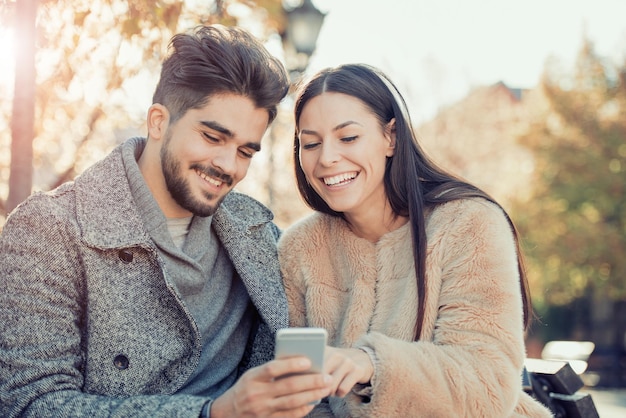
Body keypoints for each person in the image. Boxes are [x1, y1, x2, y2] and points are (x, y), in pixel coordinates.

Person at [0, 25, 333, 418]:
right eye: (212, 137)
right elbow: (29, 403)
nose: (228, 166)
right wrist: (214, 413)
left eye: (245, 151)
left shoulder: (255, 232)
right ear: (158, 121)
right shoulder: (49, 229)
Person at [278, 63, 553, 417]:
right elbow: (298, 395)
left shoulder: (467, 223)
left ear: (390, 138)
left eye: (348, 138)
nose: (327, 158)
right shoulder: (300, 247)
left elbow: (489, 383)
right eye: (310, 143)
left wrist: (372, 364)